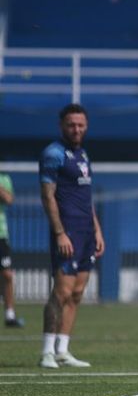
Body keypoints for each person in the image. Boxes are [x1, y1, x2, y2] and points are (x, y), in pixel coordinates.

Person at [38, 103, 105, 368]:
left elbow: (86, 199)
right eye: (71, 125)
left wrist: (97, 229)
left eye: (80, 125)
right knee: (61, 292)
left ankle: (63, 350)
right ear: (62, 126)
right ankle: (46, 351)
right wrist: (59, 233)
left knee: (77, 294)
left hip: (86, 233)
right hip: (67, 233)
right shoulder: (54, 154)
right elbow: (47, 196)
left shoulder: (83, 154)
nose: (76, 129)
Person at [0, 172, 25, 328]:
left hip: (1, 235)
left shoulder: (4, 177)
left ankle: (10, 315)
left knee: (7, 274)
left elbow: (9, 200)